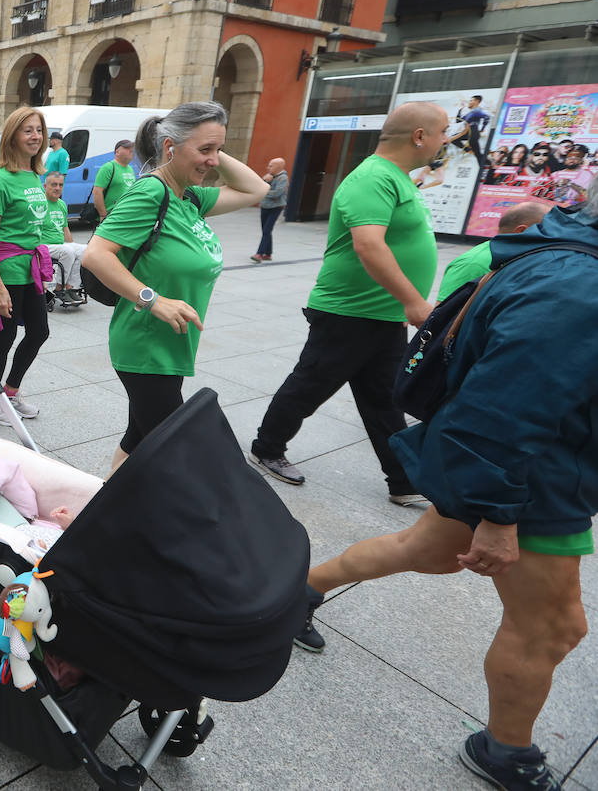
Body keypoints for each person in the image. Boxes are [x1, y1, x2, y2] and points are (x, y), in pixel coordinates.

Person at [296, 200, 598, 791]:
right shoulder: (577, 282)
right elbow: (505, 408)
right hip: (534, 478)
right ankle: (505, 751)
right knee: (552, 627)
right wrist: (497, 513)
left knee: (421, 549)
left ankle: (300, 591)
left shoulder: (570, 265)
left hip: (525, 470)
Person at [248, 102, 448, 504]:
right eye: (443, 131)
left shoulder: (400, 178)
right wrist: (413, 302)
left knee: (386, 399)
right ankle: (266, 448)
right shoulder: (372, 177)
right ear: (419, 136)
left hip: (381, 313)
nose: (447, 139)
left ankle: (403, 481)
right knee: (310, 385)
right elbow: (368, 244)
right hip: (349, 311)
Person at [82, 102, 268, 474]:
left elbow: (256, 189)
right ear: (170, 148)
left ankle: (102, 511)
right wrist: (153, 300)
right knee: (173, 456)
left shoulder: (190, 198)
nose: (214, 161)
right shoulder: (151, 193)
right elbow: (95, 255)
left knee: (138, 439)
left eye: (218, 150)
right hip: (146, 347)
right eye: (205, 150)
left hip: (173, 345)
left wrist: (207, 144)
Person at [0, 106, 53, 426]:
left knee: (39, 332)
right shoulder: (1, 179)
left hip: (30, 268)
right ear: (13, 136)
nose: (35, 136)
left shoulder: (34, 175)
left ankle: (10, 391)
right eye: (28, 130)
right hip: (8, 270)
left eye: (38, 130)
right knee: (5, 338)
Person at [437, 201, 551, 301]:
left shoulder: (524, 258)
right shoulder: (474, 263)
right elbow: (439, 319)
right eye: (548, 230)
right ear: (522, 230)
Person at [40, 172, 87, 305]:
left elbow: (65, 228)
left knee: (84, 250)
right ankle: (59, 288)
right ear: (45, 186)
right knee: (68, 251)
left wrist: (73, 245)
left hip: (60, 245)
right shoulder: (41, 204)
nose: (57, 188)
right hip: (44, 245)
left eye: (60, 185)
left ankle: (71, 288)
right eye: (54, 185)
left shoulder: (61, 204)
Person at [251, 156, 288, 262]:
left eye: (271, 166)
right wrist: (264, 181)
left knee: (267, 230)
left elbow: (277, 193)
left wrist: (264, 189)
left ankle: (259, 254)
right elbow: (258, 186)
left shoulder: (283, 178)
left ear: (278, 167)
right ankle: (268, 254)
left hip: (275, 207)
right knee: (266, 230)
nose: (268, 168)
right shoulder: (269, 176)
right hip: (265, 206)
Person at [90, 139, 136, 220]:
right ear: (117, 152)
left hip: (126, 216)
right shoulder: (108, 167)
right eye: (127, 148)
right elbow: (97, 191)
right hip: (111, 217)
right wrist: (103, 215)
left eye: (132, 148)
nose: (131, 150)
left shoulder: (130, 169)